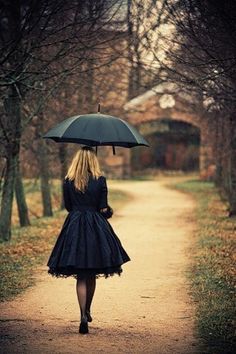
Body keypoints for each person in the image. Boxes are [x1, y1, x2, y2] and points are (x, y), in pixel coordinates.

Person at [47, 146, 130, 334]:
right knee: (91, 272)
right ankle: (88, 310)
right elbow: (103, 208)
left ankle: (82, 315)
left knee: (81, 276)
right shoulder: (100, 180)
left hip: (75, 226)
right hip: (95, 227)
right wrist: (108, 212)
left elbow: (68, 207)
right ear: (94, 161)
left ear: (76, 160)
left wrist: (79, 209)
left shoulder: (68, 181)